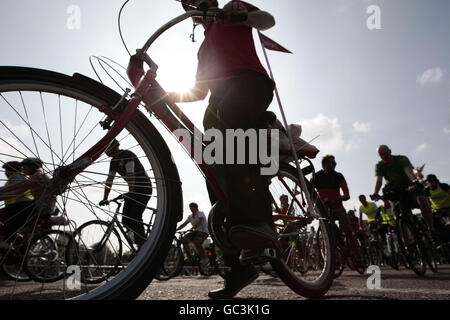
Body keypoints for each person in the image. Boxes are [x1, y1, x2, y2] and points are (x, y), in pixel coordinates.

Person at [169, 0, 276, 298]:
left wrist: (244, 15)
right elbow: (199, 91)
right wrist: (166, 94)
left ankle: (259, 222)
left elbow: (267, 21)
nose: (194, 5)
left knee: (232, 121)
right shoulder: (202, 48)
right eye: (187, 3)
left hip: (249, 84)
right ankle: (237, 267)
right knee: (212, 171)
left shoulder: (231, 10)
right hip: (216, 106)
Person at [100, 139, 152, 248]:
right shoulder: (113, 161)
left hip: (144, 188)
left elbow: (130, 174)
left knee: (134, 216)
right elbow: (110, 179)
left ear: (115, 147)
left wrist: (131, 191)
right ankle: (137, 245)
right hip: (133, 190)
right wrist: (105, 198)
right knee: (126, 220)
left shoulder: (127, 154)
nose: (105, 151)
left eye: (107, 148)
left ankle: (143, 247)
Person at [371, 145, 434, 231]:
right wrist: (375, 193)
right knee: (397, 214)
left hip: (410, 187)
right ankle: (405, 237)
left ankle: (431, 228)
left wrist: (414, 181)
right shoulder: (380, 165)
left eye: (385, 153)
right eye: (381, 155)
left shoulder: (401, 159)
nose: (383, 157)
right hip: (396, 191)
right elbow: (379, 180)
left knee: (422, 199)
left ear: (390, 151)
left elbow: (409, 171)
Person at [314, 155, 362, 266]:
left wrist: (342, 197)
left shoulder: (338, 176)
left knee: (348, 231)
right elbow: (311, 192)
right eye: (332, 163)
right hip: (324, 208)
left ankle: (358, 258)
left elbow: (346, 192)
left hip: (337, 206)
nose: (335, 165)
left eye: (335, 163)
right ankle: (331, 260)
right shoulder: (317, 176)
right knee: (326, 235)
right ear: (325, 164)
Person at [0, 161, 34, 249]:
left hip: (21, 204)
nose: (5, 173)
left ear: (11, 170)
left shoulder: (17, 177)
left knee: (7, 223)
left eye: (6, 170)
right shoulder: (17, 177)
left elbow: (15, 191)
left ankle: (7, 243)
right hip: (18, 204)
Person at [176, 202, 210, 266]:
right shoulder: (190, 216)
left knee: (196, 241)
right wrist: (176, 229)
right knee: (183, 240)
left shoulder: (200, 213)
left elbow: (199, 221)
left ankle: (205, 258)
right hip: (195, 232)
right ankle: (189, 257)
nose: (191, 209)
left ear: (196, 208)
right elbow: (184, 224)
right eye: (190, 207)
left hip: (203, 232)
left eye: (193, 207)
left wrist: (192, 228)